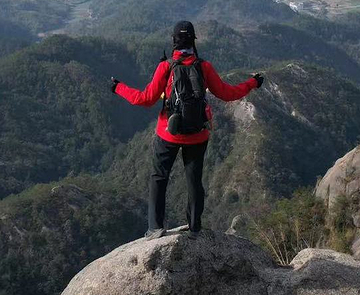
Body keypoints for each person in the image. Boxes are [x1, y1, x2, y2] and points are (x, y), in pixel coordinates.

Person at [110, 21, 264, 240]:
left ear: (174, 41)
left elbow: (144, 99)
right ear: (193, 41)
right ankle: (194, 227)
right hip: (197, 134)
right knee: (194, 180)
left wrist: (118, 87)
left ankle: (155, 228)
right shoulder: (204, 66)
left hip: (168, 133)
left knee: (159, 177)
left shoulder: (166, 67)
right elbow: (227, 93)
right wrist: (252, 83)